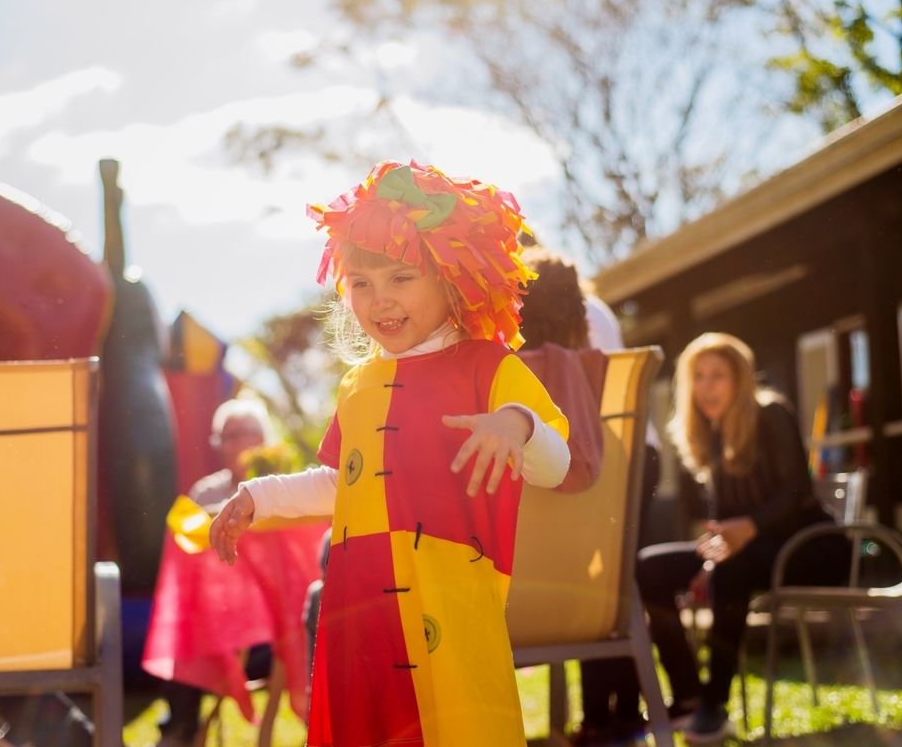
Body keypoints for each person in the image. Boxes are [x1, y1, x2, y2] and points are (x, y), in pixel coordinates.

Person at [210, 160, 571, 746]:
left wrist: (519, 424)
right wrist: (259, 495)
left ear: (451, 277)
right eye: (361, 283)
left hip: (452, 610)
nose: (380, 301)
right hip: (362, 606)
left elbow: (557, 467)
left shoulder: (489, 366)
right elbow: (342, 483)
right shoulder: (357, 385)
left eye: (401, 278)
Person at [636, 333, 850, 744]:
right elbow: (724, 520)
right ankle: (687, 695)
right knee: (649, 567)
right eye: (698, 377)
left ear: (741, 379)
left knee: (733, 565)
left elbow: (795, 493)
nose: (707, 386)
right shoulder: (712, 434)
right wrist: (716, 555)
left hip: (813, 547)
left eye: (718, 375)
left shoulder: (771, 412)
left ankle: (714, 707)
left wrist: (744, 533)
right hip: (750, 552)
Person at [516, 249, 660, 746]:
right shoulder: (602, 375)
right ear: (579, 312)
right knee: (609, 569)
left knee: (589, 561)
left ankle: (601, 718)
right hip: (594, 602)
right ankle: (614, 716)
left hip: (514, 605)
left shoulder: (495, 386)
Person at [144, 398, 326, 747]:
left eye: (236, 435)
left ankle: (323, 728)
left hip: (281, 626)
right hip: (219, 625)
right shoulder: (206, 492)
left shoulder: (287, 487)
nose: (226, 445)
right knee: (185, 624)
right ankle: (179, 729)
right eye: (221, 437)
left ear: (262, 438)